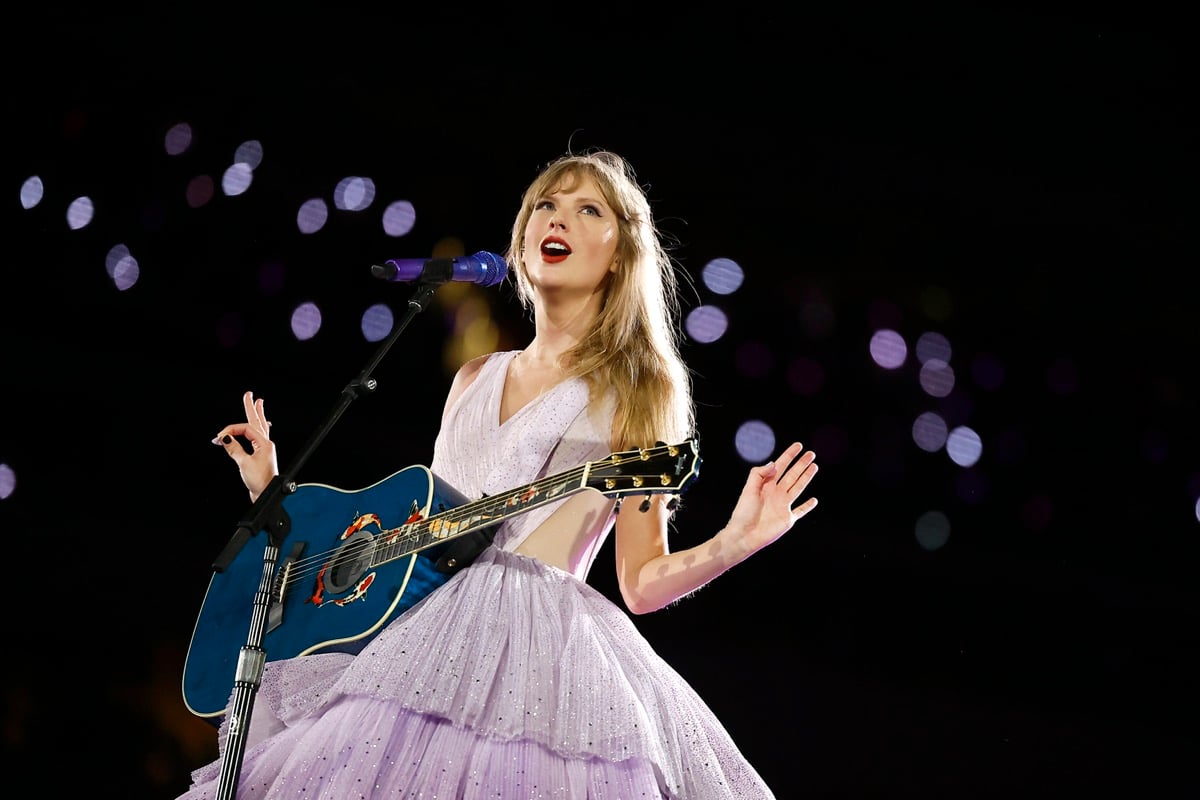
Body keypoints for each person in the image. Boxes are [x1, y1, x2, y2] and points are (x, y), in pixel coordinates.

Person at [180, 149, 819, 799]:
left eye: (586, 209)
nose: (557, 219)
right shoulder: (473, 378)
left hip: (535, 657)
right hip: (413, 642)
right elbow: (410, 533)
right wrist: (273, 495)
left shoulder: (638, 388)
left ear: (621, 253)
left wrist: (735, 541)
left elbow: (643, 581)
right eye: (546, 204)